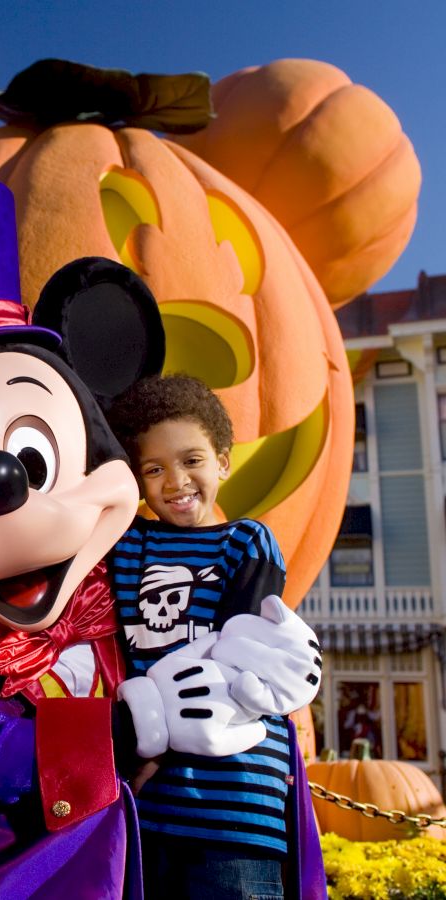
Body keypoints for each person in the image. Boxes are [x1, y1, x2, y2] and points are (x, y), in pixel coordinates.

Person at [107, 373, 325, 900]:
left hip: (236, 801)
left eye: (192, 460)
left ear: (223, 461)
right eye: (153, 469)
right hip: (152, 806)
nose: (176, 481)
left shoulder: (245, 540)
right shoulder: (128, 545)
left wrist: (149, 750)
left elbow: (240, 656)